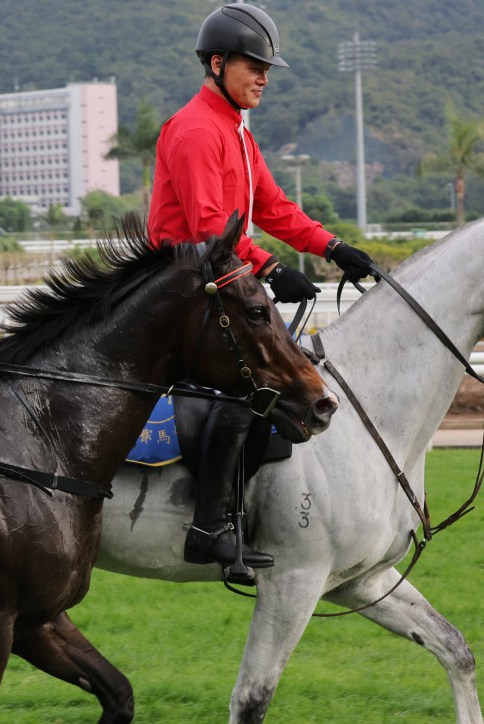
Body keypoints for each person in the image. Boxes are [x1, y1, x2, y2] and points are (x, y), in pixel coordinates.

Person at [148, 3, 373, 571]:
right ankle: (207, 528)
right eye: (254, 66)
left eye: (268, 68)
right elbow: (206, 228)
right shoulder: (197, 130)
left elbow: (274, 208)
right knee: (256, 382)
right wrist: (270, 269)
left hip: (217, 278)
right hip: (182, 282)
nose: (264, 78)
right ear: (218, 63)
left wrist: (334, 248)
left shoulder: (236, 132)